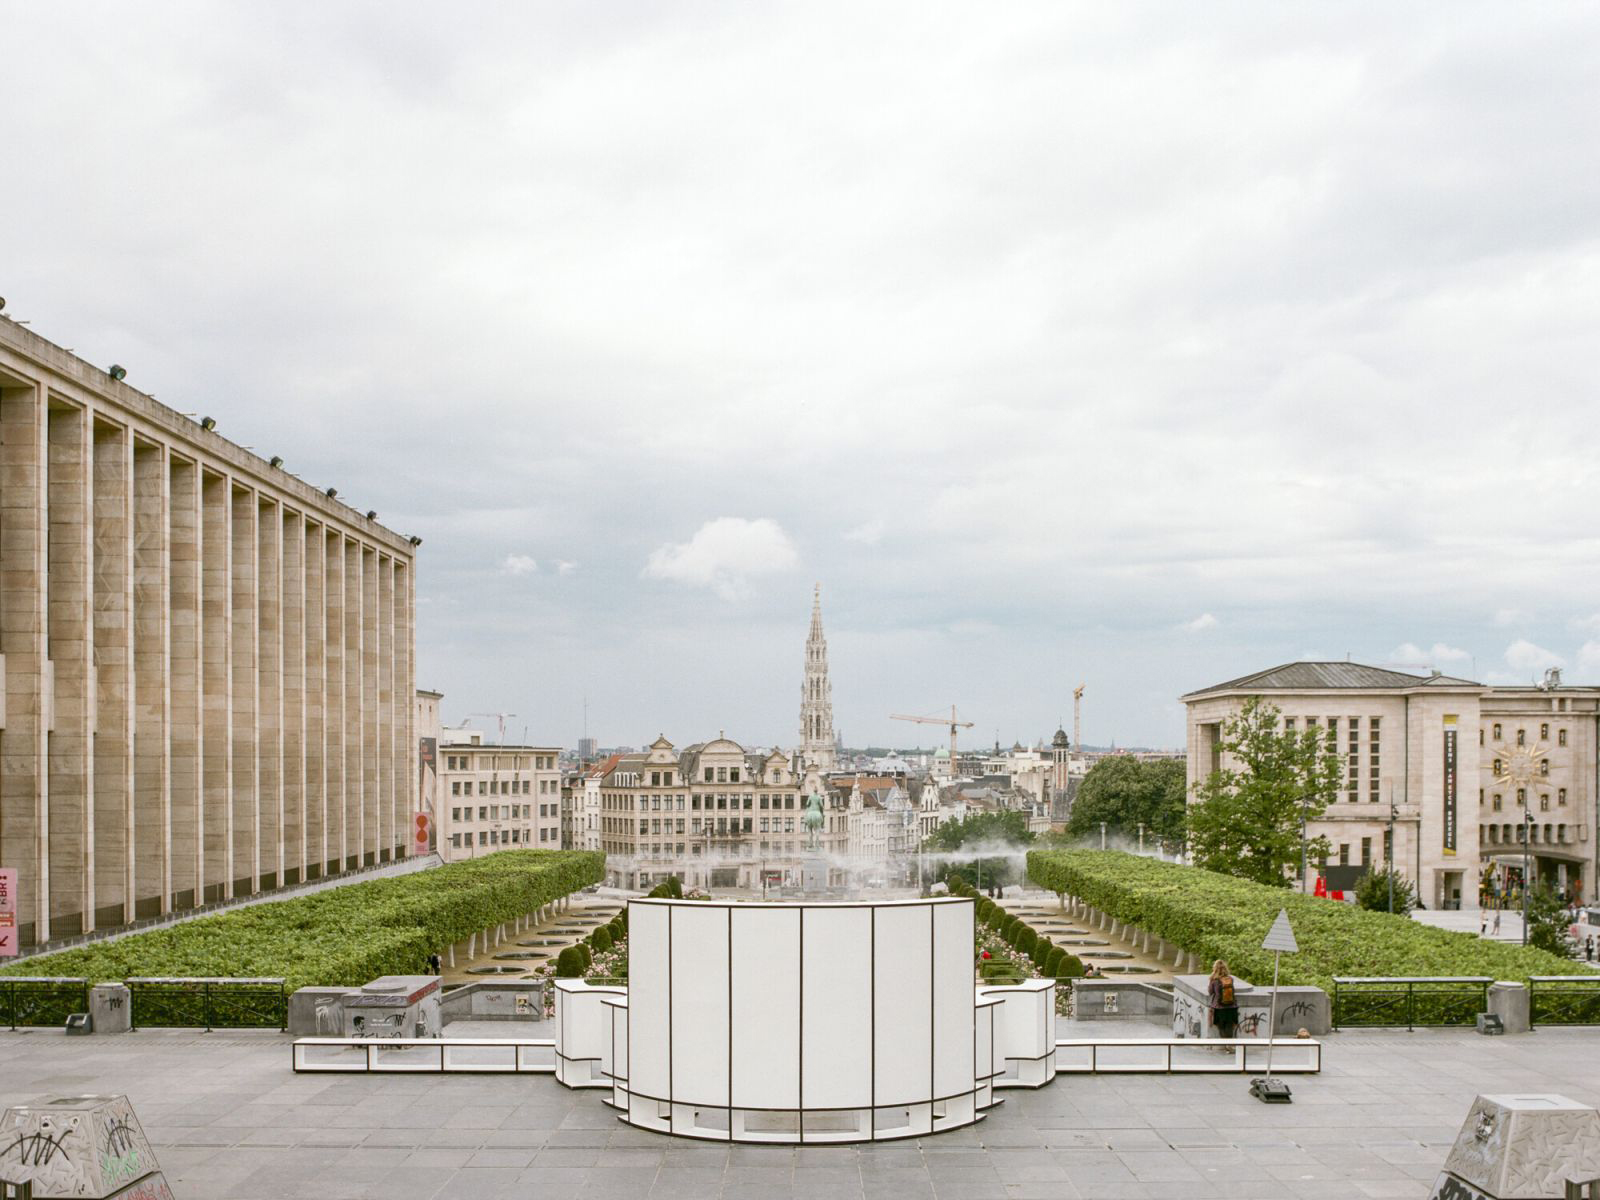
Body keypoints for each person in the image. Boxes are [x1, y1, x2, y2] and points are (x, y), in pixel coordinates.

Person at [1208, 959, 1239, 1040]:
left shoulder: (1214, 980)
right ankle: (1229, 1045)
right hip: (1232, 1006)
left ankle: (1225, 1044)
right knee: (1229, 1026)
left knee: (1221, 1026)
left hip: (1219, 1007)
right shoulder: (1230, 979)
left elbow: (1210, 992)